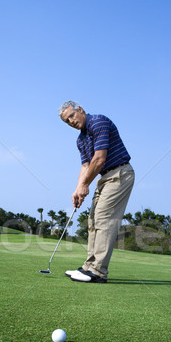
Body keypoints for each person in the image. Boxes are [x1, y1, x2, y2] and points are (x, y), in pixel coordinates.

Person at [58, 101, 135, 283]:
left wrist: (85, 185)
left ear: (80, 110)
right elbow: (86, 166)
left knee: (103, 219)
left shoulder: (98, 122)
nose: (71, 121)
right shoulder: (80, 140)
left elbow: (99, 159)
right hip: (104, 178)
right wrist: (78, 189)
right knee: (93, 220)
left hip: (120, 173)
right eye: (67, 121)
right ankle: (88, 267)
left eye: (71, 116)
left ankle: (98, 272)